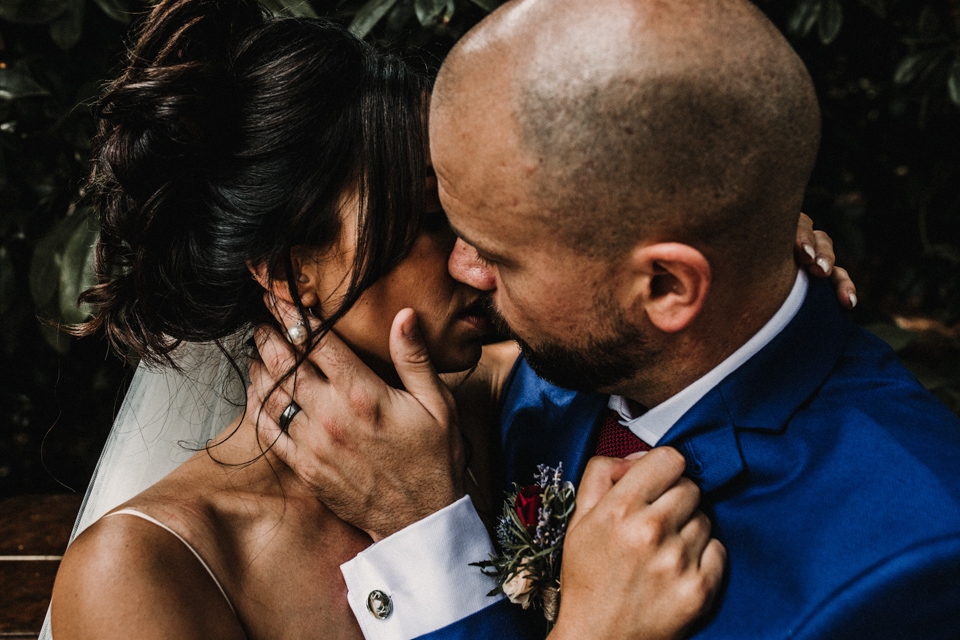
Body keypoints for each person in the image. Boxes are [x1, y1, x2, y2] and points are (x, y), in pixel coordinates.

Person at [250, 0, 960, 638]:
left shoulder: (912, 572)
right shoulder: (564, 366)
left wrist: (423, 537)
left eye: (498, 253)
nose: (463, 270)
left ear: (665, 287)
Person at [45, 0, 752, 638]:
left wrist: (756, 248)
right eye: (430, 221)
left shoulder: (518, 396)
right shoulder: (149, 567)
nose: (480, 260)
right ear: (290, 269)